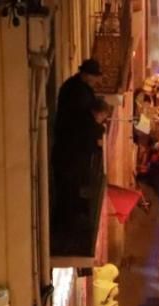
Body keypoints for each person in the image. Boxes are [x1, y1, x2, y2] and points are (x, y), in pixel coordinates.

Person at [51, 60, 104, 249]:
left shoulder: (74, 88)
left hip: (68, 150)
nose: (98, 82)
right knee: (69, 190)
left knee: (68, 189)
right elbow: (82, 123)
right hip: (71, 152)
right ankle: (67, 226)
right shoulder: (79, 93)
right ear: (88, 75)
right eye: (96, 77)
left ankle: (68, 222)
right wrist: (97, 128)